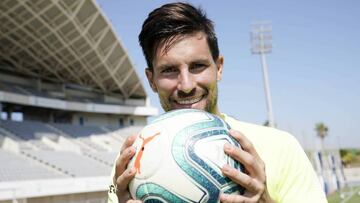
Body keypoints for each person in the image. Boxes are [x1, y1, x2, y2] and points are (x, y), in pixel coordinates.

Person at [108, 2, 327, 203]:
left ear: (219, 67)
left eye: (197, 66)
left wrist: (264, 200)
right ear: (151, 80)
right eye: (169, 70)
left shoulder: (281, 147)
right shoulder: (133, 162)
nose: (186, 85)